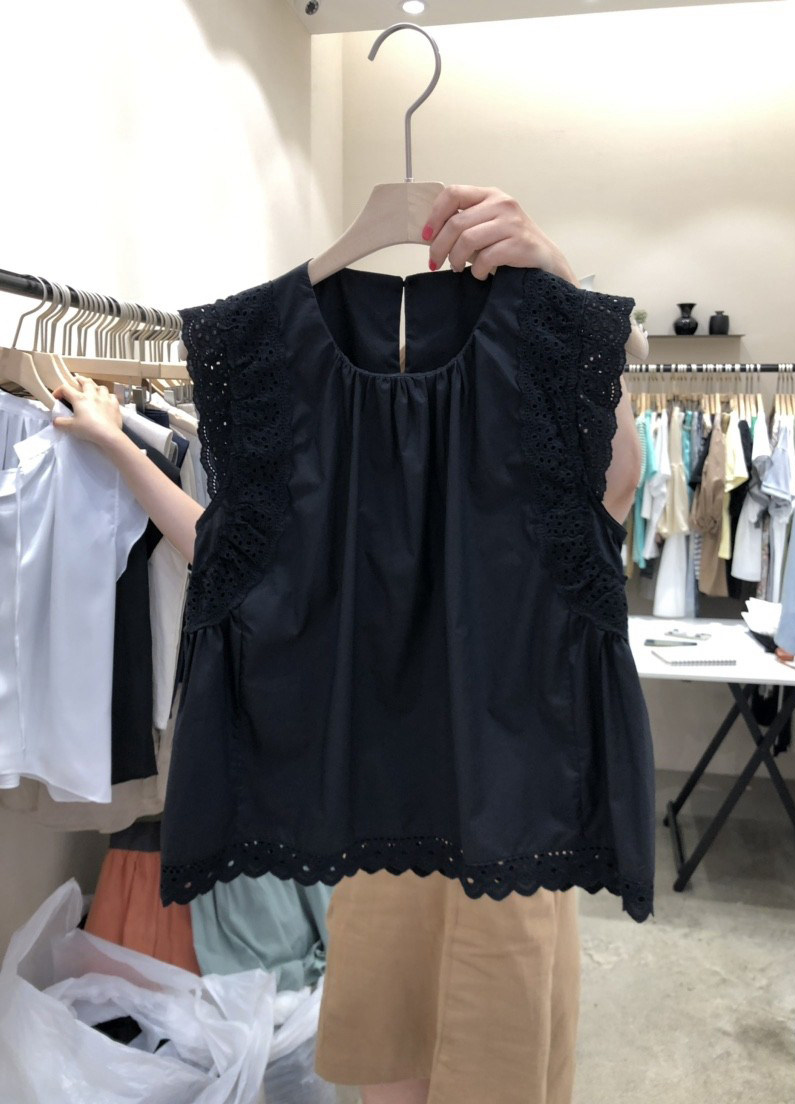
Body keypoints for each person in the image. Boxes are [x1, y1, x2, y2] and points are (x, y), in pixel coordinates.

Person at [52, 185, 642, 1104]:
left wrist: (561, 285)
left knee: (494, 1070)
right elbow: (232, 560)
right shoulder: (274, 374)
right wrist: (125, 453)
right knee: (388, 1075)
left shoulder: (533, 379)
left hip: (505, 836)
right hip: (380, 841)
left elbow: (614, 484)